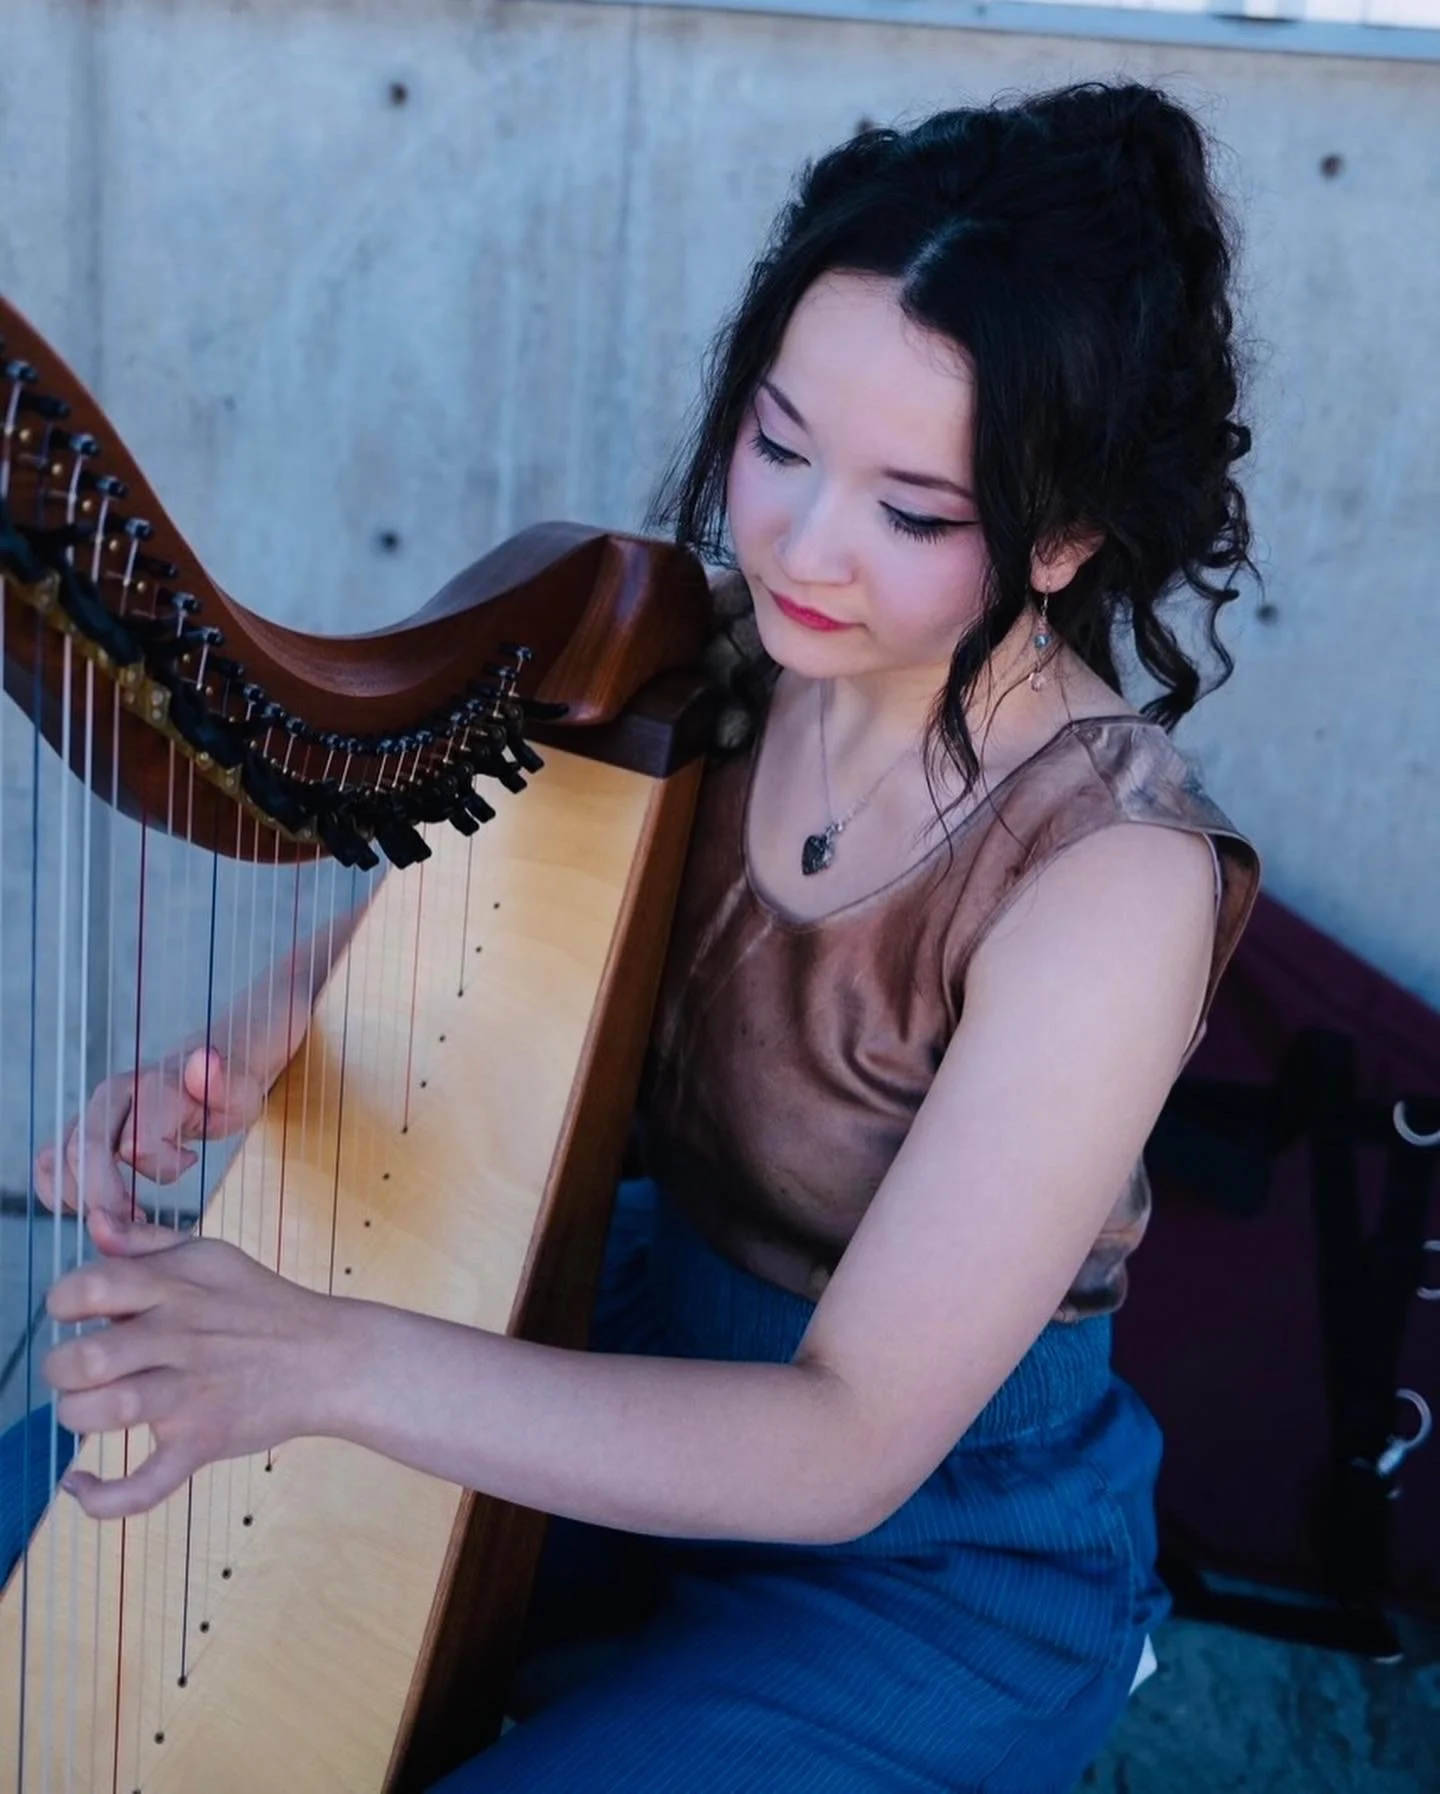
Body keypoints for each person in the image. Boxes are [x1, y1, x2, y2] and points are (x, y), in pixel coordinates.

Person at [36, 81, 1261, 1791]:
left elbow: (842, 1443)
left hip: (932, 1549)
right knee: (48, 1504)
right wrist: (245, 1052)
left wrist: (330, 1355)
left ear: (1061, 540)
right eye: (778, 440)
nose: (803, 542)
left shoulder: (1107, 879)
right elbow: (445, 924)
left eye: (914, 510)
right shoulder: (719, 667)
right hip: (626, 1347)